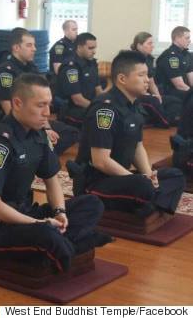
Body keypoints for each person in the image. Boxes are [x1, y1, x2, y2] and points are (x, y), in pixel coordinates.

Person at [0, 73, 110, 272]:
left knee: (92, 203)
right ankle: (71, 244)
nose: (47, 112)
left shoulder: (39, 135)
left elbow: (52, 180)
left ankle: (61, 244)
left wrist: (60, 213)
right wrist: (39, 223)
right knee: (47, 233)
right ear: (17, 103)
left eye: (49, 105)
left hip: (26, 213)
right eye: (40, 105)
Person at [75, 50, 185, 216]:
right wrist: (139, 179)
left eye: (147, 74)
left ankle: (150, 205)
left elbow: (137, 146)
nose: (147, 80)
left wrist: (148, 174)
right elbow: (101, 161)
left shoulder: (134, 105)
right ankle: (151, 204)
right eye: (141, 75)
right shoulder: (105, 109)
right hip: (96, 182)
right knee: (142, 186)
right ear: (122, 79)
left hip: (121, 177)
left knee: (174, 175)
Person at [0, 27, 79, 155]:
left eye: (34, 45)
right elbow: (9, 109)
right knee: (40, 137)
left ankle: (38, 154)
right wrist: (42, 129)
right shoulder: (6, 72)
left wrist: (47, 127)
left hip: (33, 114)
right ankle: (39, 154)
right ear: (16, 48)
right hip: (10, 120)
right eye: (29, 45)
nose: (34, 49)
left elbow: (42, 103)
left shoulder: (32, 68)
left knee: (72, 133)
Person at [132, 32, 180, 127]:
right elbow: (131, 82)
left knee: (173, 100)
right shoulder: (132, 59)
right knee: (153, 101)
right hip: (135, 94)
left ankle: (154, 120)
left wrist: (158, 96)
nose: (152, 46)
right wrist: (146, 94)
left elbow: (152, 82)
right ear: (139, 45)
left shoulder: (149, 59)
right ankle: (166, 122)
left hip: (147, 92)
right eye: (149, 43)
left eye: (152, 43)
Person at [56, 33, 102, 128]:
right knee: (103, 121)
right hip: (73, 110)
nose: (94, 52)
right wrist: (98, 109)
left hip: (89, 106)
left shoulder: (92, 63)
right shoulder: (71, 67)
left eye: (95, 48)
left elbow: (99, 91)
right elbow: (77, 100)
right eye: (90, 48)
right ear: (79, 47)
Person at [155, 26, 193, 101]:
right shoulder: (170, 56)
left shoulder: (187, 54)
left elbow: (191, 80)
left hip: (184, 91)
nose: (189, 41)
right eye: (187, 38)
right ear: (177, 38)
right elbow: (179, 85)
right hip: (170, 93)